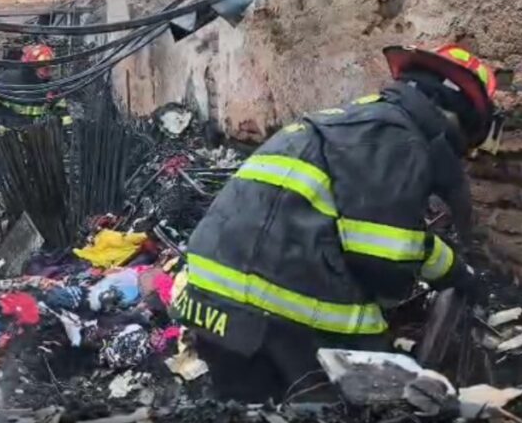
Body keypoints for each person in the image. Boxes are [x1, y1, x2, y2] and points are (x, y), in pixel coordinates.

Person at [173, 44, 503, 401]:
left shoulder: (357, 121)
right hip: (268, 313)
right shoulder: (400, 139)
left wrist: (451, 267)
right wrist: (455, 274)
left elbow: (384, 236)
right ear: (460, 122)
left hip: (208, 295)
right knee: (379, 399)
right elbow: (384, 265)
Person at [0, 43, 73, 132]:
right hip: (6, 138)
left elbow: (61, 110)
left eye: (51, 68)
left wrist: (68, 130)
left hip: (36, 140)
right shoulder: (9, 79)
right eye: (45, 68)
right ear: (31, 68)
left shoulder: (51, 87)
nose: (49, 72)